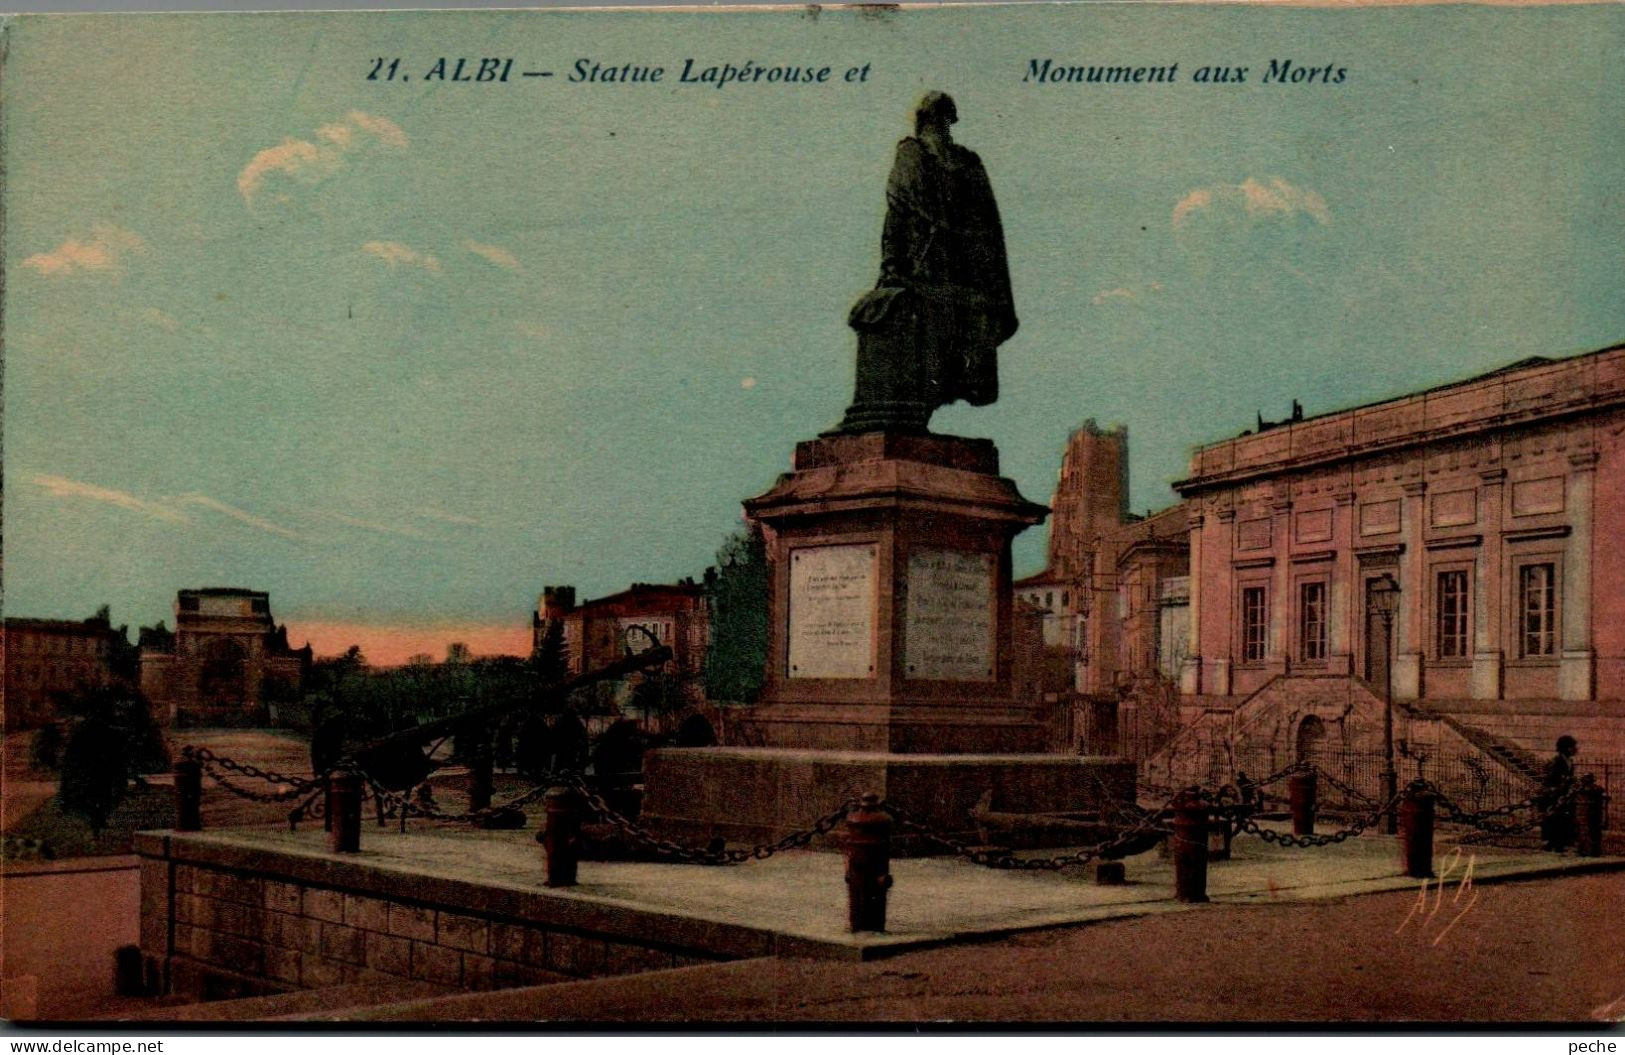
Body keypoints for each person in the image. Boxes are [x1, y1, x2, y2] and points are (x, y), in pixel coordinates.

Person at [841, 91, 1018, 431]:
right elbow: (896, 221)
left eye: (942, 119)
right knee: (887, 311)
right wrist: (893, 266)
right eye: (935, 118)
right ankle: (889, 412)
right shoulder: (912, 158)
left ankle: (906, 409)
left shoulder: (967, 163)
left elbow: (986, 228)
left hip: (958, 276)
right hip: (921, 272)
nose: (938, 125)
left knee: (912, 313)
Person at [1539, 734, 1579, 852]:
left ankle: (1558, 843)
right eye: (1573, 746)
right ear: (1567, 748)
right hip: (1555, 795)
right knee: (1555, 819)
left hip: (1564, 796)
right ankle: (1553, 843)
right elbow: (1549, 779)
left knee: (1563, 819)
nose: (1576, 749)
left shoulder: (1569, 761)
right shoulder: (1556, 761)